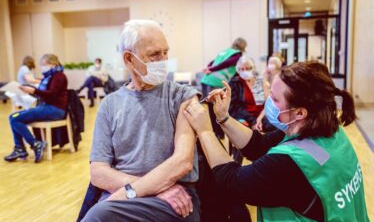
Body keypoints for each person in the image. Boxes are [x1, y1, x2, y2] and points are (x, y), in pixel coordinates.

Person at [183, 61, 370, 222]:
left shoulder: (288, 164)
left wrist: (205, 130)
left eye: (274, 99)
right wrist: (223, 117)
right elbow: (259, 146)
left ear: (300, 112)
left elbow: (231, 180)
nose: (268, 102)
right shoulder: (327, 130)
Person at [81, 20, 200, 222]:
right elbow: (98, 173)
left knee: (97, 216)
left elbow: (183, 162)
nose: (163, 60)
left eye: (166, 53)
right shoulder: (110, 105)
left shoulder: (183, 96)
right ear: (129, 58)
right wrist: (145, 189)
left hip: (175, 200)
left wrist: (132, 192)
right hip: (126, 196)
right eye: (155, 54)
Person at [4, 54, 68, 163]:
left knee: (15, 118)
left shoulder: (59, 76)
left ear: (52, 64)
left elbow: (52, 94)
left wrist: (33, 91)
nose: (42, 67)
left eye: (44, 65)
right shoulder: (49, 76)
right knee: (13, 117)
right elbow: (44, 93)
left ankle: (34, 144)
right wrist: (29, 90)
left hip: (55, 109)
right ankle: (21, 148)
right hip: (46, 108)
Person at [229, 56, 264, 128]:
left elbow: (267, 102)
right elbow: (236, 108)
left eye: (247, 68)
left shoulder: (259, 81)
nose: (245, 71)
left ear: (253, 68)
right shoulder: (234, 83)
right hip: (244, 116)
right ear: (238, 70)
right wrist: (253, 121)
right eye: (242, 69)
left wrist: (259, 119)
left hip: (261, 116)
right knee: (243, 125)